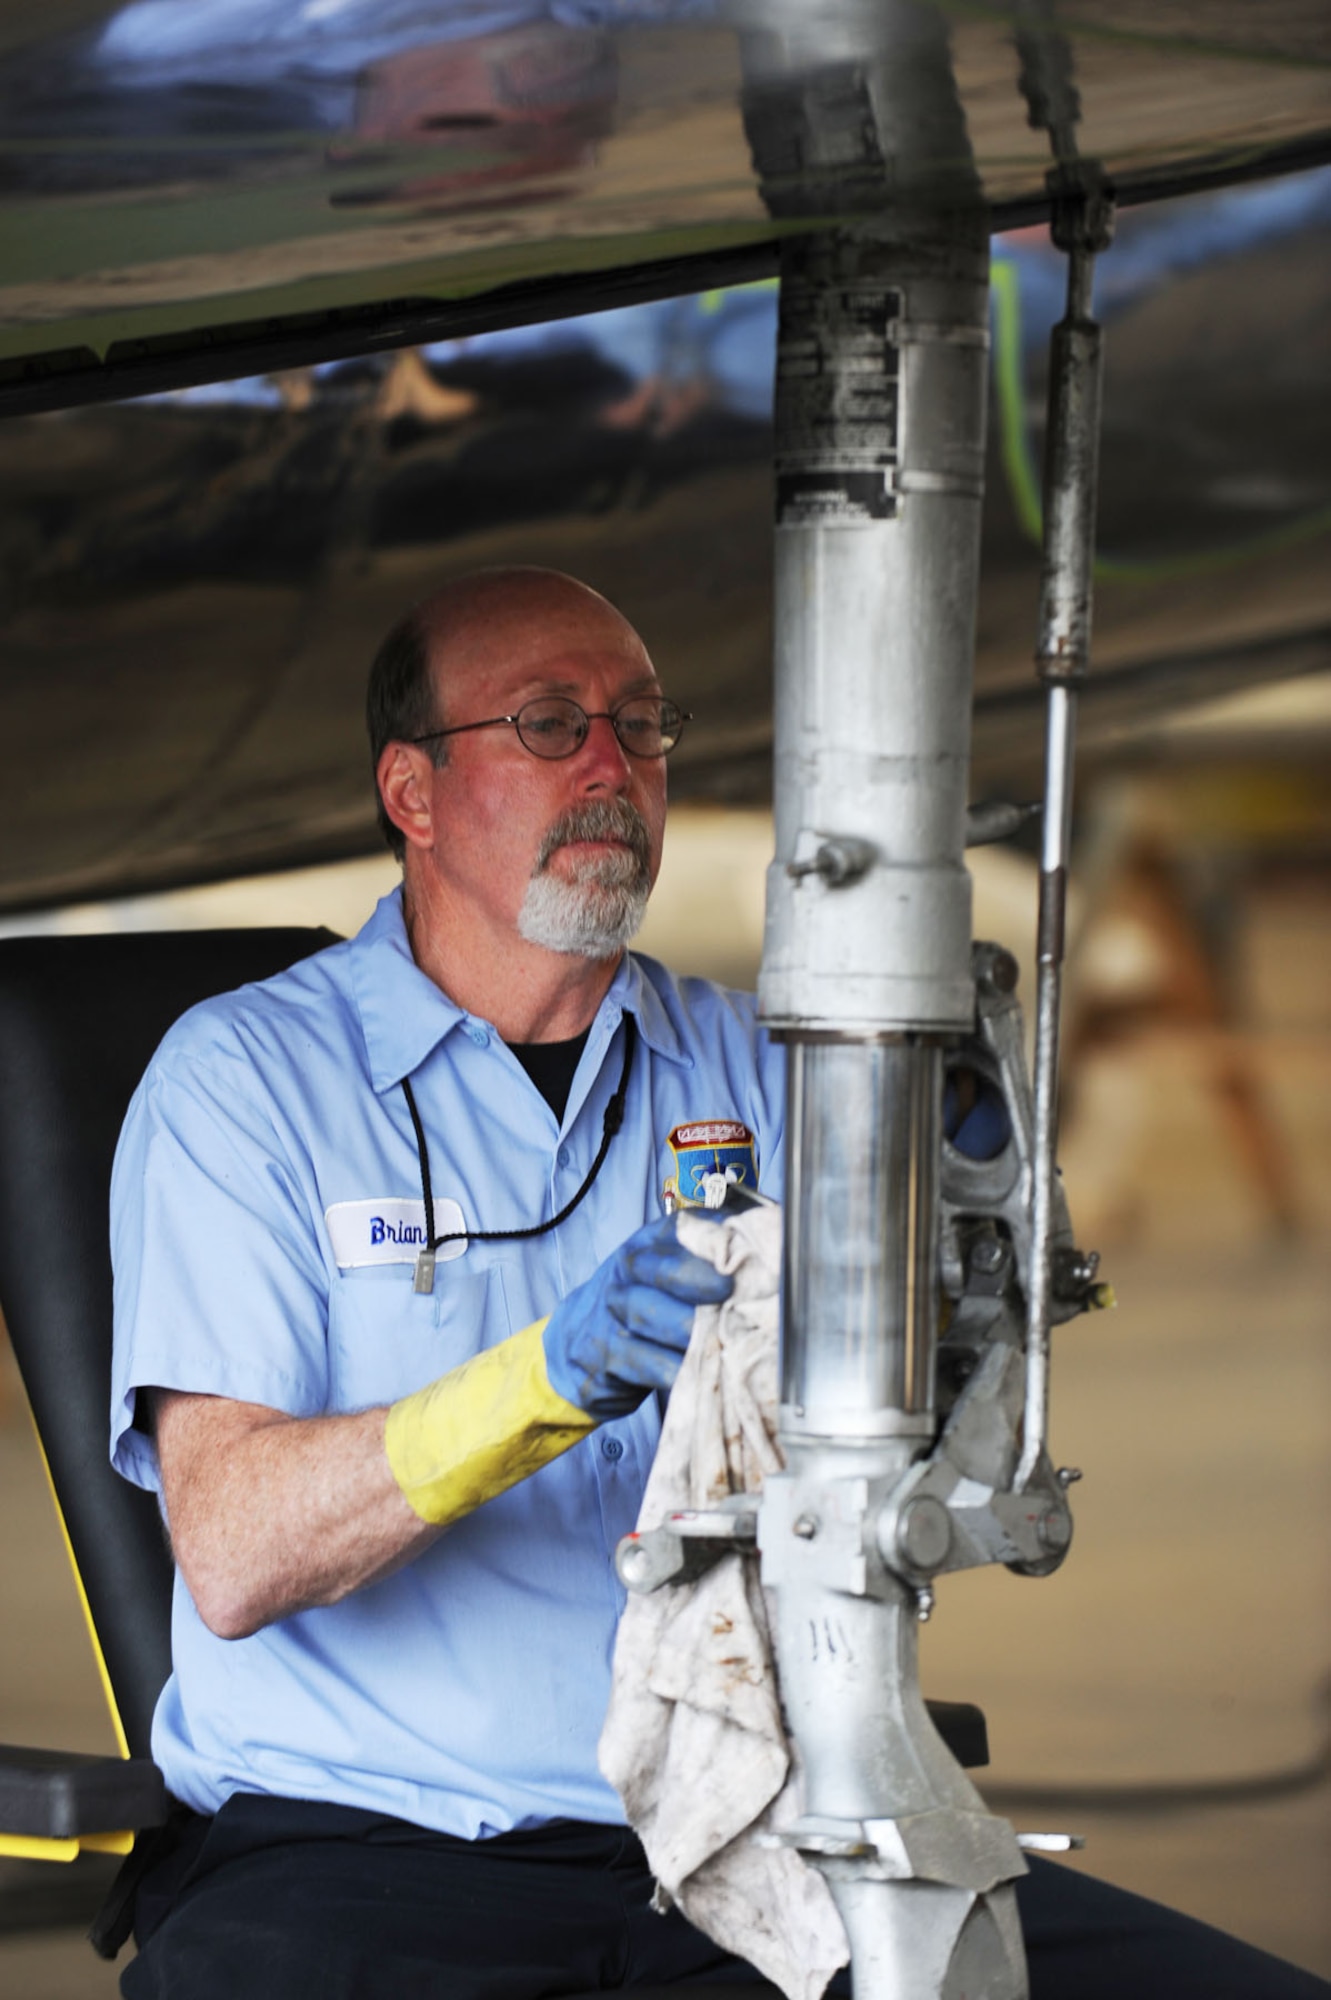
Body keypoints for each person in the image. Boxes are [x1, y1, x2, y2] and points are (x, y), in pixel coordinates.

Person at [109, 568, 1328, 2000]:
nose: (615, 768)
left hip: (754, 1830)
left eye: (643, 725)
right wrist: (545, 1378)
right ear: (414, 792)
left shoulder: (763, 1061)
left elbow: (946, 1389)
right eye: (552, 726)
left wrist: (973, 1154)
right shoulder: (247, 1081)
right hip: (367, 1856)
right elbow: (237, 1548)